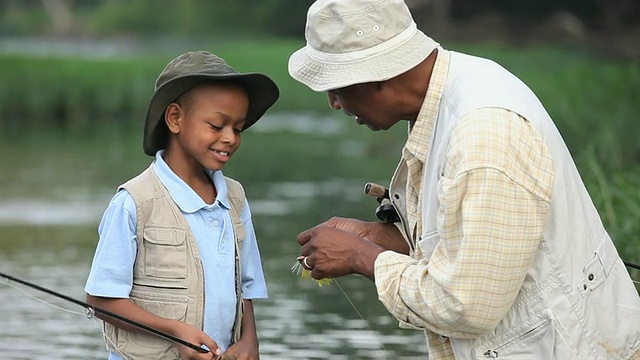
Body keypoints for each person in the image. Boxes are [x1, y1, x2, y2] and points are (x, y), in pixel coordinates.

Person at [288, 0, 640, 359]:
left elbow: (466, 306)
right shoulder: (458, 83)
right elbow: (477, 248)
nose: (333, 101)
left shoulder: (484, 134)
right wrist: (380, 239)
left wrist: (364, 257)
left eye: (338, 86)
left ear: (377, 72)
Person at [85, 50, 279, 360]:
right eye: (217, 126)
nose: (230, 138)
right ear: (175, 118)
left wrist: (249, 340)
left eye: (238, 128)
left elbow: (246, 285)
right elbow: (100, 299)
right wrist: (173, 331)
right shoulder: (134, 203)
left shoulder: (235, 198)